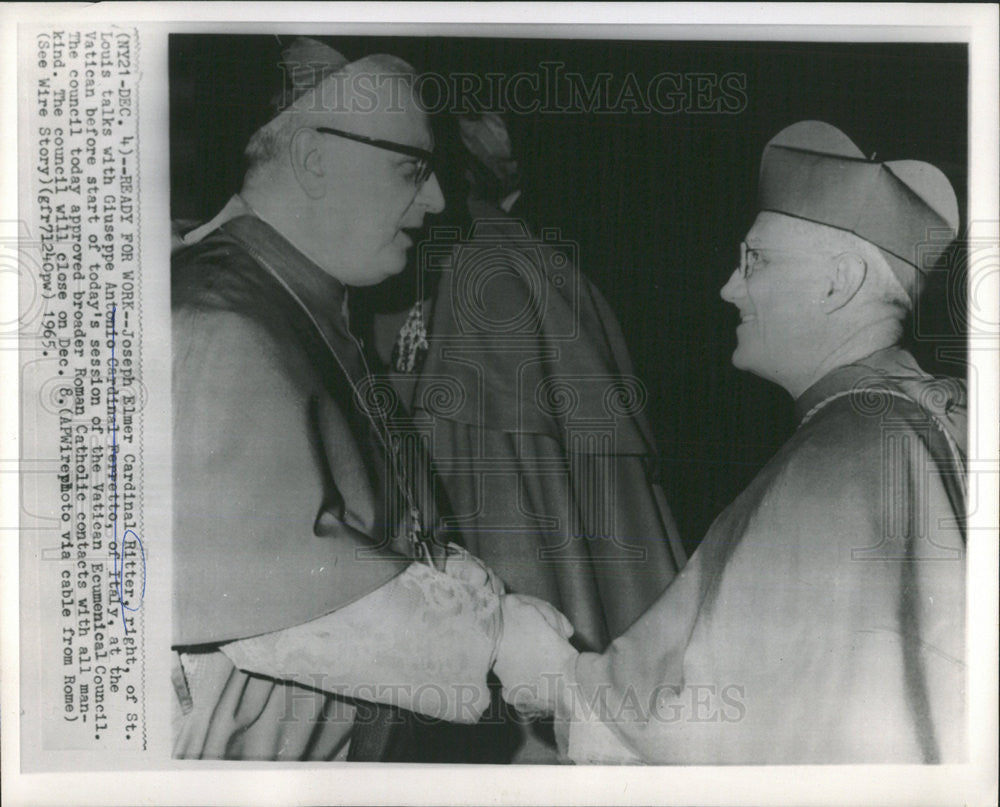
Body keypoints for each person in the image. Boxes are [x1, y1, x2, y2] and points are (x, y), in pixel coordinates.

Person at [496, 120, 967, 764]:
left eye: (756, 260)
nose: (729, 287)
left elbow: (719, 728)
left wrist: (550, 671)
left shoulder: (846, 453)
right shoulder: (914, 419)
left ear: (839, 280)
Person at [170, 37, 569, 762]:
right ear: (316, 159)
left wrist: (470, 584)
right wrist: (496, 636)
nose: (438, 199)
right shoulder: (213, 317)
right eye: (411, 169)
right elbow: (258, 592)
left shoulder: (294, 300)